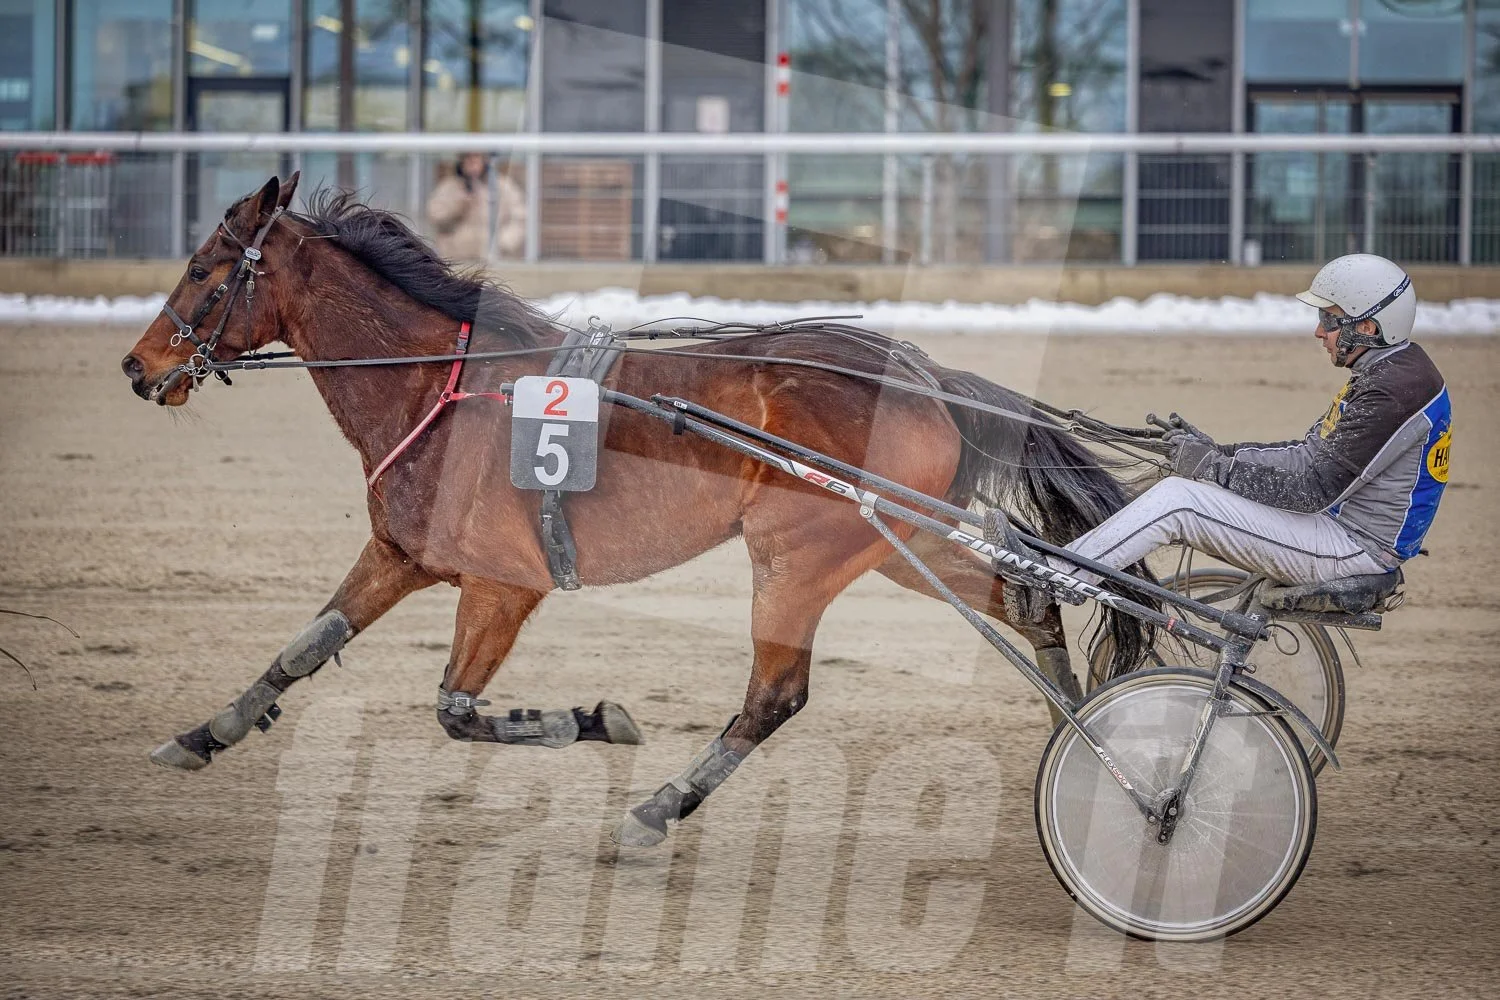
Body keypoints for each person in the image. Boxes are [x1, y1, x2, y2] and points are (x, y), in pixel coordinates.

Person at [1051, 253, 1452, 588]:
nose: (1319, 332)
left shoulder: (1392, 390)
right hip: (1336, 526)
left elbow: (1312, 491)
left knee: (1178, 502)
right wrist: (1218, 453)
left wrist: (1213, 468)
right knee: (1183, 486)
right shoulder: (1391, 371)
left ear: (1368, 327)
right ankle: (1066, 558)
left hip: (1355, 548)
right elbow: (1306, 456)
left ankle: (1056, 577)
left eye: (1330, 321)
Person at [426, 152, 526, 262]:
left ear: (485, 160)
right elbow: (435, 216)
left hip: (492, 259)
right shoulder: (448, 187)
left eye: (476, 157)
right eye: (468, 157)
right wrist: (458, 206)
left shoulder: (503, 187)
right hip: (455, 259)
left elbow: (519, 219)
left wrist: (503, 243)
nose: (472, 162)